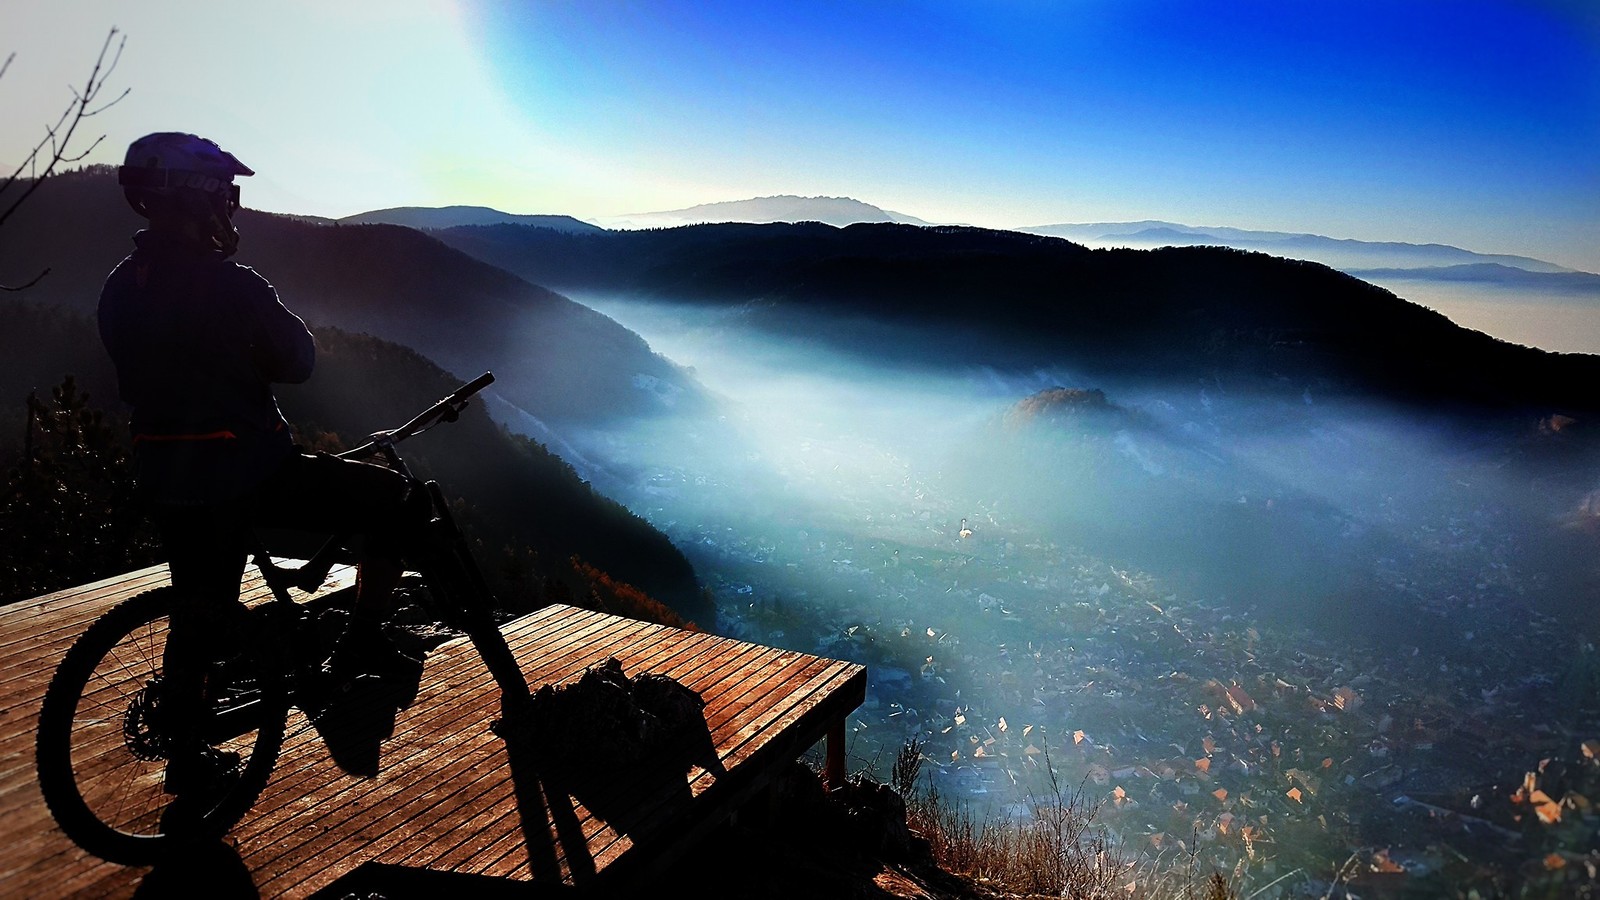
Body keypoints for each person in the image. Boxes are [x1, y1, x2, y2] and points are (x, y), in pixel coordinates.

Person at [98, 132, 430, 794]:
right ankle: (362, 637)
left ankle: (188, 756)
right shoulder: (233, 286)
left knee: (200, 606)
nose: (231, 205)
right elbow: (298, 362)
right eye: (224, 192)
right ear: (195, 197)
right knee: (399, 501)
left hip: (164, 477)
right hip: (247, 472)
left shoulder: (120, 287)